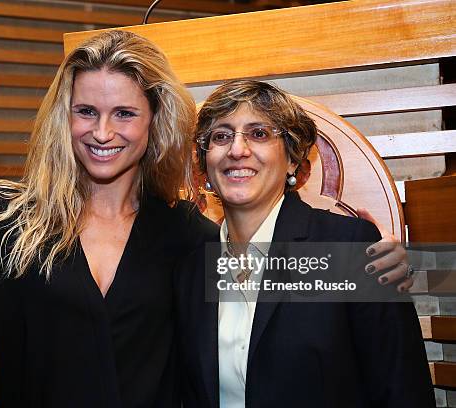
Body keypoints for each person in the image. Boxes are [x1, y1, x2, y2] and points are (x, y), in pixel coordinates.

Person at [0, 30, 412, 406]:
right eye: (86, 111)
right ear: (65, 119)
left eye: (124, 113)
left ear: (155, 122)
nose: (102, 132)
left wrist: (378, 262)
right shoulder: (11, 220)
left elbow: (278, 338)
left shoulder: (191, 237)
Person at [175, 80, 435, 407]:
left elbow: (402, 390)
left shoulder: (351, 250)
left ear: (294, 159)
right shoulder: (190, 270)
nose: (237, 150)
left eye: (259, 133)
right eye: (221, 136)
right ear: (205, 165)